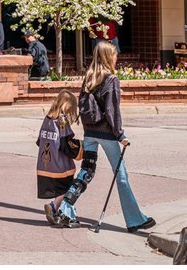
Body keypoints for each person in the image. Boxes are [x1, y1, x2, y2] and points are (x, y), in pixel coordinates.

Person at [48, 41, 155, 233]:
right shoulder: (111, 79)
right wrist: (120, 135)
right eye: (114, 54)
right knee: (121, 176)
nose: (116, 57)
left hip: (90, 134)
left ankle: (63, 207)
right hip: (106, 134)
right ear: (107, 57)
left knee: (86, 172)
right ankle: (134, 220)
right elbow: (112, 111)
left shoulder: (89, 78)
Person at [36, 90, 82, 203]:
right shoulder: (62, 121)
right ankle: (53, 207)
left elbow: (39, 141)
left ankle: (55, 210)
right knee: (66, 189)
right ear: (66, 104)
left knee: (58, 190)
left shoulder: (47, 119)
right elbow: (66, 144)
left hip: (44, 166)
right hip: (60, 166)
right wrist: (81, 147)